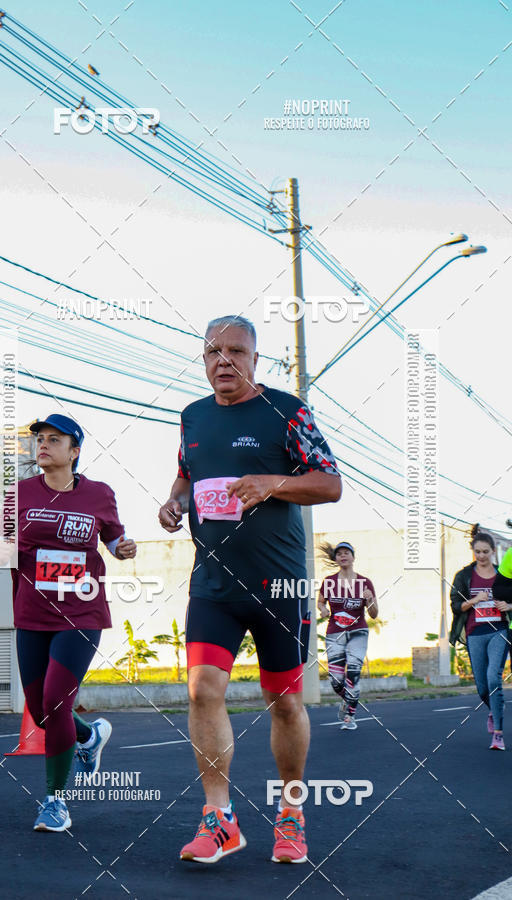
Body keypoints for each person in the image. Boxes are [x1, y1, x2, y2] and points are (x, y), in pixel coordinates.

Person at [158, 316, 341, 865]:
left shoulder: (287, 411)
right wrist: (174, 501)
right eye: (213, 351)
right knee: (201, 691)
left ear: (257, 358)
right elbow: (188, 474)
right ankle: (220, 821)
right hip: (213, 584)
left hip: (278, 586)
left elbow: (330, 483)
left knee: (283, 702)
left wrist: (274, 484)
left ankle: (291, 815)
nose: (224, 361)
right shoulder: (192, 416)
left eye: (236, 350)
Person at [1, 413, 137, 830]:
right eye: (39, 439)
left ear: (74, 451)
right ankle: (88, 736)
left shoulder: (98, 494)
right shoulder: (17, 494)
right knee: (42, 711)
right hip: (32, 613)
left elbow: (113, 540)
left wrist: (123, 548)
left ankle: (55, 801)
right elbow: (2, 550)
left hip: (81, 612)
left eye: (54, 439)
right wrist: (5, 546)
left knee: (56, 699)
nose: (43, 445)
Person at [449, 526, 511, 750]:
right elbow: (456, 606)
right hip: (475, 633)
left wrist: (508, 605)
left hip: (499, 631)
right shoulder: (465, 576)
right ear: (473, 552)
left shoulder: (503, 575)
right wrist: (475, 600)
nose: (482, 556)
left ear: (493, 551)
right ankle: (495, 711)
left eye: (486, 551)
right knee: (482, 687)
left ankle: (498, 735)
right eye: (478, 552)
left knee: (494, 679)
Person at [317, 541, 378, 730]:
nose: (343, 556)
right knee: (336, 681)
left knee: (353, 673)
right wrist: (323, 610)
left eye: (347, 553)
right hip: (335, 633)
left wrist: (369, 600)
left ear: (353, 557)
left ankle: (350, 717)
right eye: (339, 554)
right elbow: (320, 603)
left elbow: (374, 614)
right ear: (336, 559)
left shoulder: (364, 583)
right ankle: (348, 700)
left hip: (358, 631)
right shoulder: (329, 582)